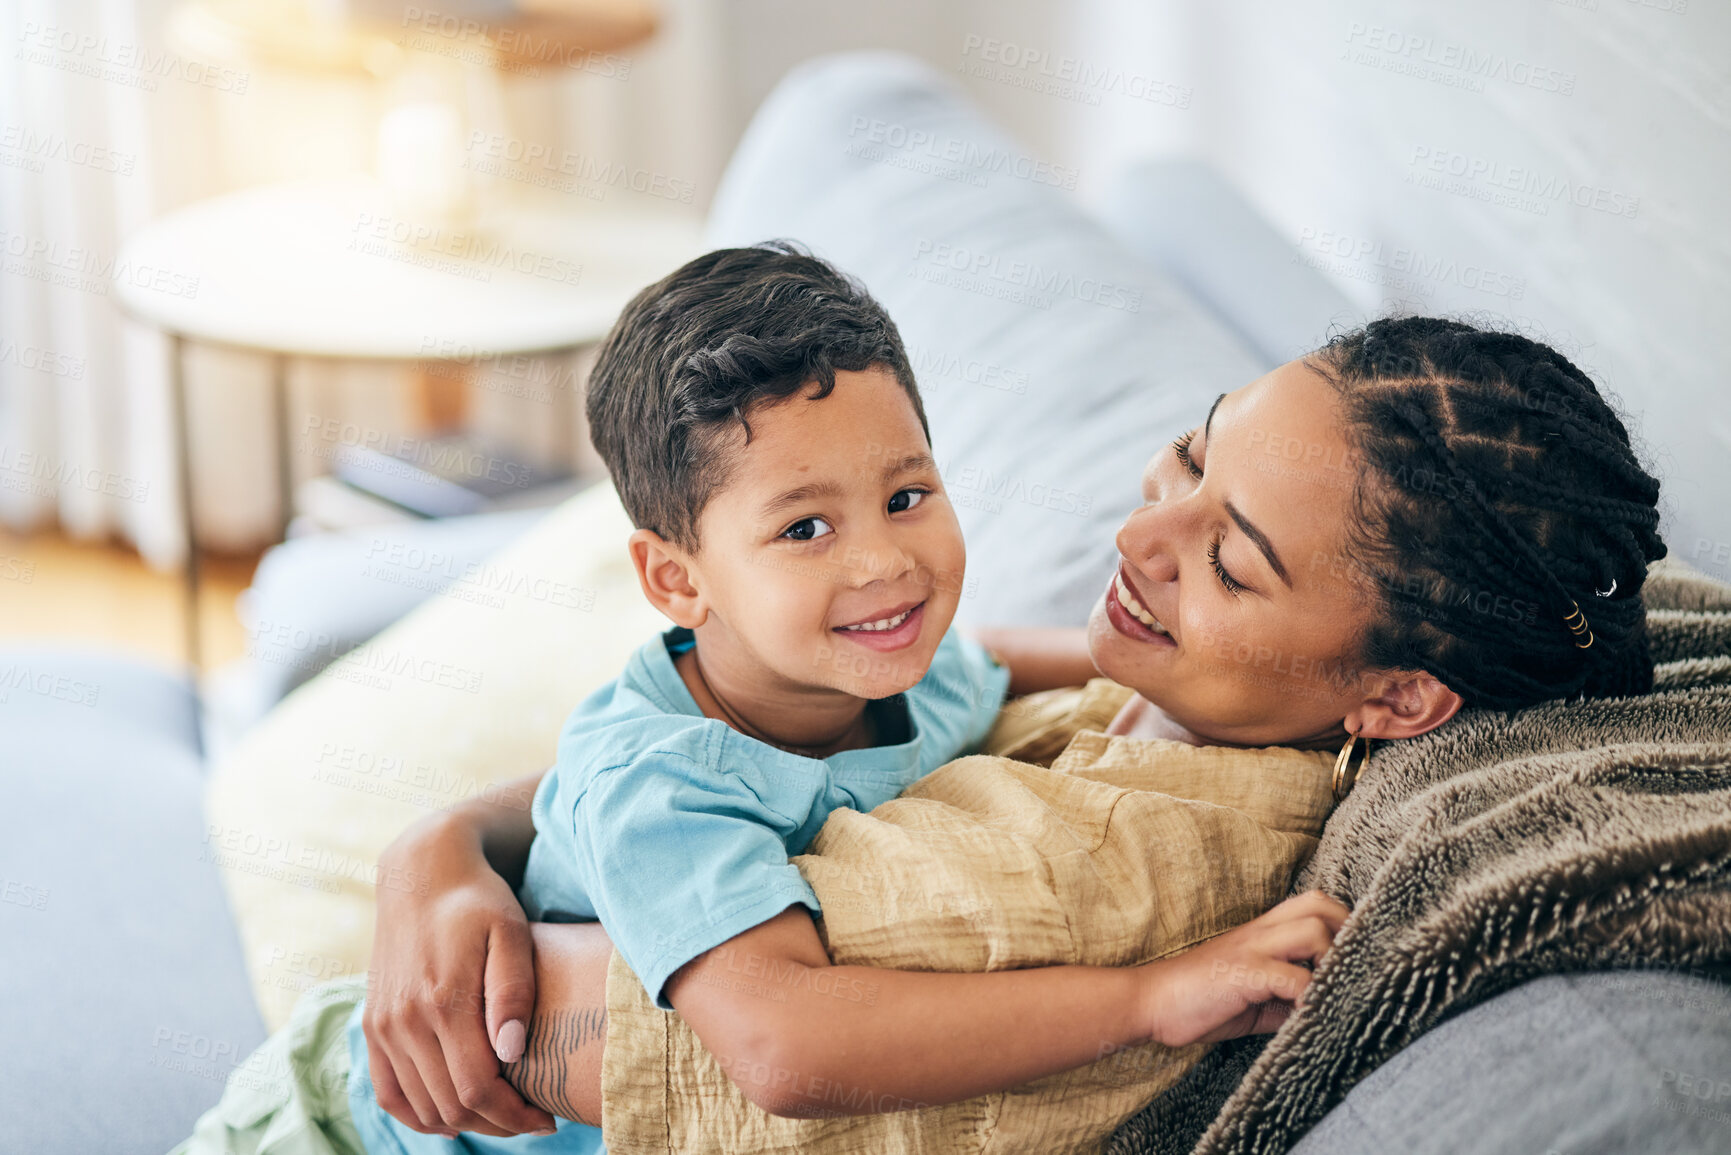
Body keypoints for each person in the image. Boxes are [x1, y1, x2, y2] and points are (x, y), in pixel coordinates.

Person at [359, 314, 1666, 1145]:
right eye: (1187, 458)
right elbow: (863, 706)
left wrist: (1149, 1001)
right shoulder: (1146, 700)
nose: (1135, 535)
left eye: (1230, 558)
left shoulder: (1106, 862)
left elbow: (527, 1023)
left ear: (1395, 699)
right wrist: (441, 840)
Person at [170, 244, 1355, 1155]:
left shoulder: (897, 667)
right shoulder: (666, 784)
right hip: (343, 1127)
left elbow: (1006, 656)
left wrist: (1185, 656)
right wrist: (1152, 998)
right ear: (676, 580)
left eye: (906, 496)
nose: (882, 565)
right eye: (804, 528)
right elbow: (782, 1045)